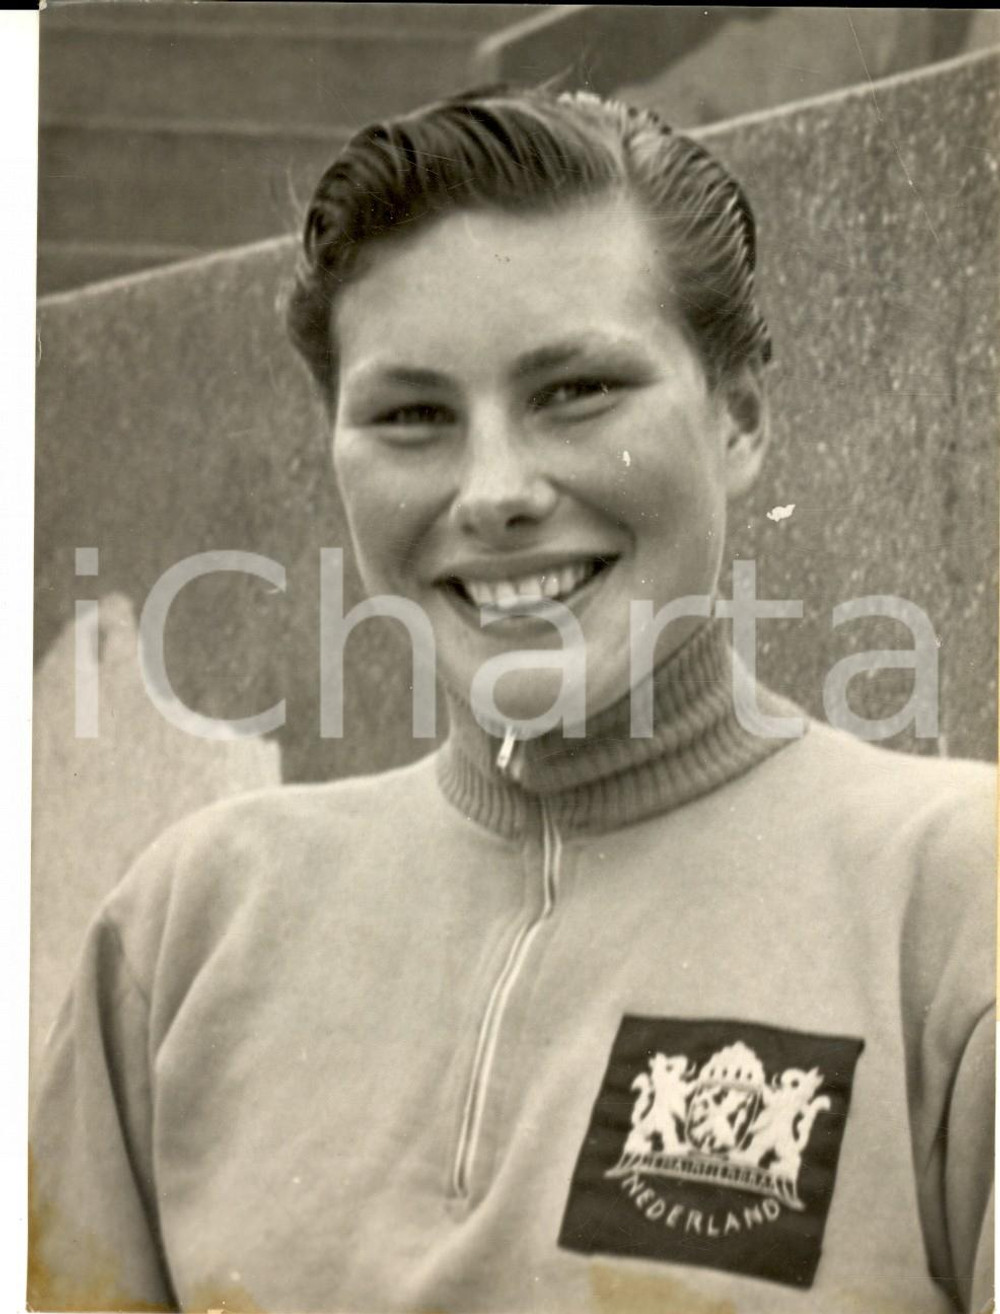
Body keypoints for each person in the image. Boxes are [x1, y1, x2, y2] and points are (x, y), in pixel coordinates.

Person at [29, 86, 994, 1313]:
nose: (494, 491)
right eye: (412, 415)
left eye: (577, 391)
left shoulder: (956, 899)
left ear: (738, 417)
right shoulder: (189, 926)